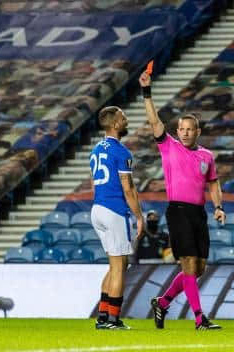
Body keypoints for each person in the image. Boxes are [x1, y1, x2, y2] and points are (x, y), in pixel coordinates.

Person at [140, 71, 224, 330]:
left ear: (198, 131)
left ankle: (162, 303)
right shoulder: (168, 146)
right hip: (177, 211)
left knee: (197, 269)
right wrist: (147, 92)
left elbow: (213, 183)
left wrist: (218, 207)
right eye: (182, 129)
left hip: (199, 213)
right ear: (177, 131)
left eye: (190, 129)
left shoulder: (207, 156)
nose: (185, 133)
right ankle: (199, 318)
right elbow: (154, 121)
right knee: (188, 263)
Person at [90, 106, 144, 330]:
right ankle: (113, 319)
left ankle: (103, 316)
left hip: (98, 209)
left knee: (115, 265)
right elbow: (128, 188)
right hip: (114, 210)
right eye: (123, 117)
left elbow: (94, 183)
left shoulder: (95, 149)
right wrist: (139, 216)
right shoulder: (121, 152)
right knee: (120, 266)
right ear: (114, 124)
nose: (126, 120)